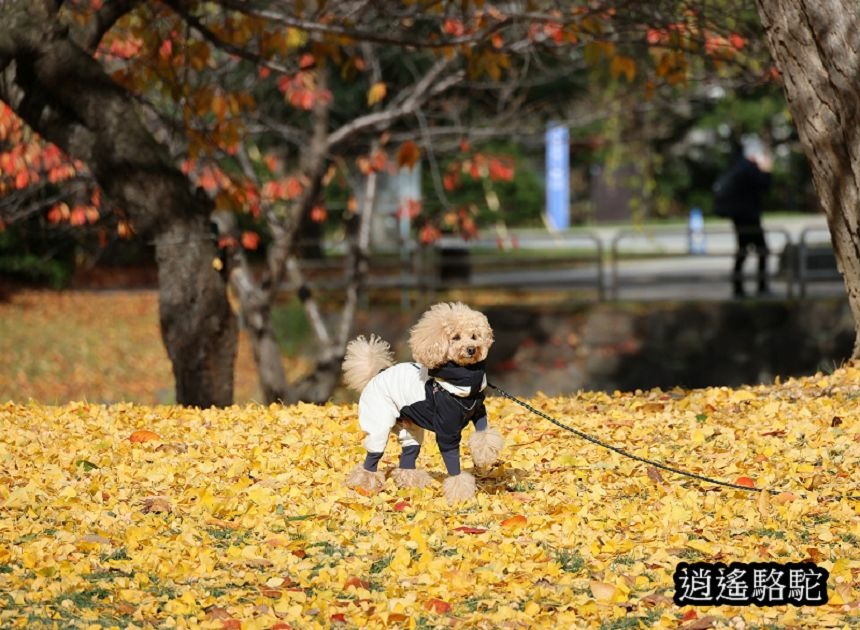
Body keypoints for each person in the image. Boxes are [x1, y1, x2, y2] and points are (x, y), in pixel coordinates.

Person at [713, 143, 773, 297]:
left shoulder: (737, 166)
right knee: (761, 250)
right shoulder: (749, 169)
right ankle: (760, 287)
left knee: (743, 250)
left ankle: (739, 286)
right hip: (749, 217)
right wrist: (767, 171)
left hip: (739, 216)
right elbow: (764, 186)